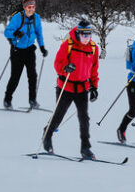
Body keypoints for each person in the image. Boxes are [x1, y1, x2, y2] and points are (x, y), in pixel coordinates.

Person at [42, 20, 99, 159]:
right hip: (66, 86)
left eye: (88, 35)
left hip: (82, 88)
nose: (86, 38)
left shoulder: (93, 48)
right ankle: (47, 135)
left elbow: (94, 69)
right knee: (58, 115)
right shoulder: (68, 44)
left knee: (84, 118)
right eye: (83, 35)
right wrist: (65, 69)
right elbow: (57, 63)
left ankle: (85, 147)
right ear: (78, 33)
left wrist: (94, 87)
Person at [3, 0, 47, 109]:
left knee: (32, 76)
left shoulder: (36, 18)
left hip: (29, 50)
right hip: (17, 50)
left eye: (33, 7)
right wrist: (16, 33)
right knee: (15, 77)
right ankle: (7, 100)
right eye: (28, 7)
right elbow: (7, 32)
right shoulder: (18, 17)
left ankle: (32, 100)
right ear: (24, 7)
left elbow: (39, 33)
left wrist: (42, 47)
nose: (31, 9)